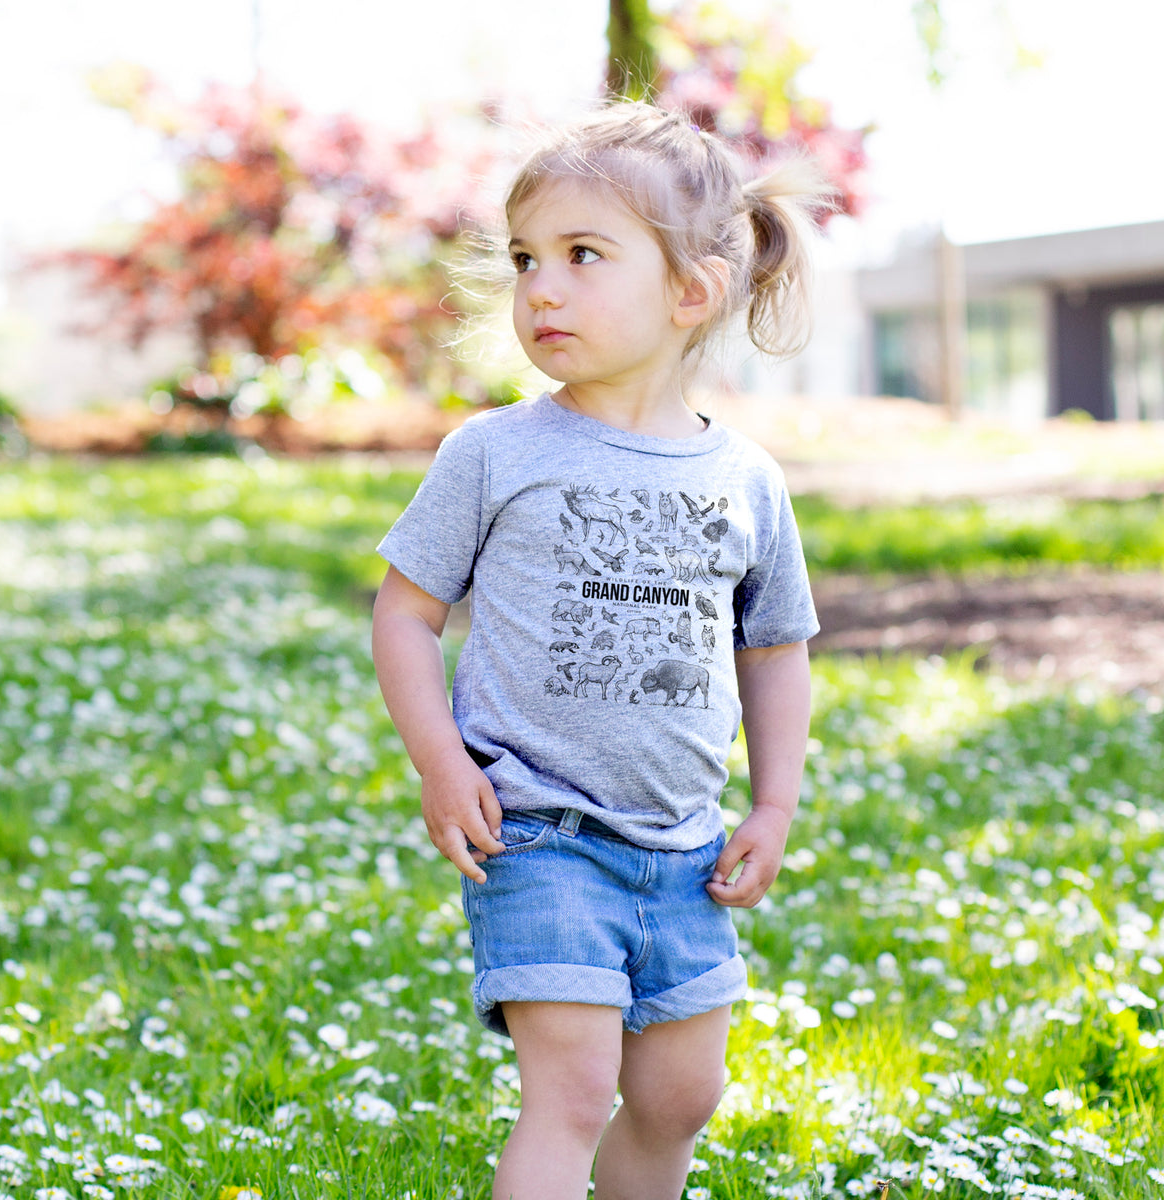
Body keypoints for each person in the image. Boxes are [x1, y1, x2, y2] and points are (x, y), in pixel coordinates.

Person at [371, 100, 825, 1200]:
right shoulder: (495, 452)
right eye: (526, 258)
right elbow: (404, 614)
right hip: (539, 832)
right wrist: (441, 763)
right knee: (572, 1095)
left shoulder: (746, 480)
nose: (541, 287)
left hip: (686, 849)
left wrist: (772, 806)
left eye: (582, 255)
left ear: (690, 292)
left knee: (679, 1101)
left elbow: (774, 651)